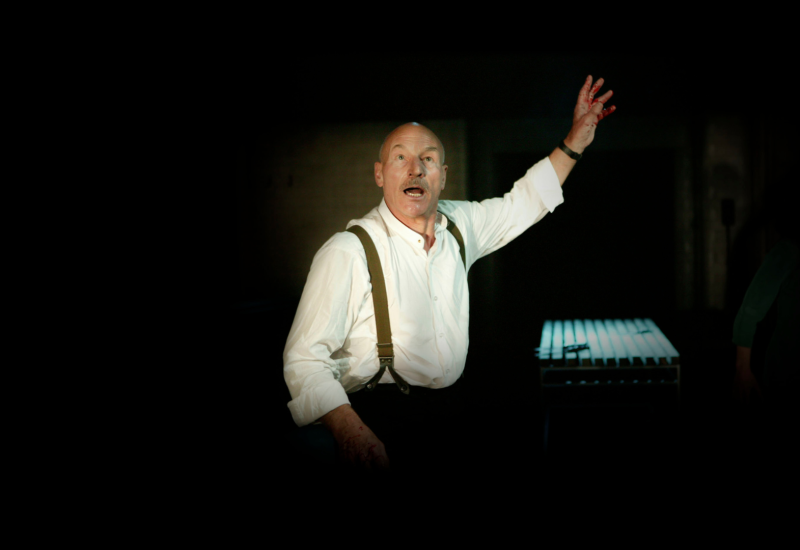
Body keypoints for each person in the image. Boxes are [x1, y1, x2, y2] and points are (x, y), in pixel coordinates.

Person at [283, 76, 616, 476]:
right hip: (378, 421)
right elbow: (303, 359)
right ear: (379, 174)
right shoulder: (348, 250)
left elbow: (523, 203)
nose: (414, 169)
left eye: (427, 159)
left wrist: (574, 142)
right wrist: (349, 430)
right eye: (400, 158)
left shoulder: (461, 225)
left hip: (451, 415)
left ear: (442, 173)